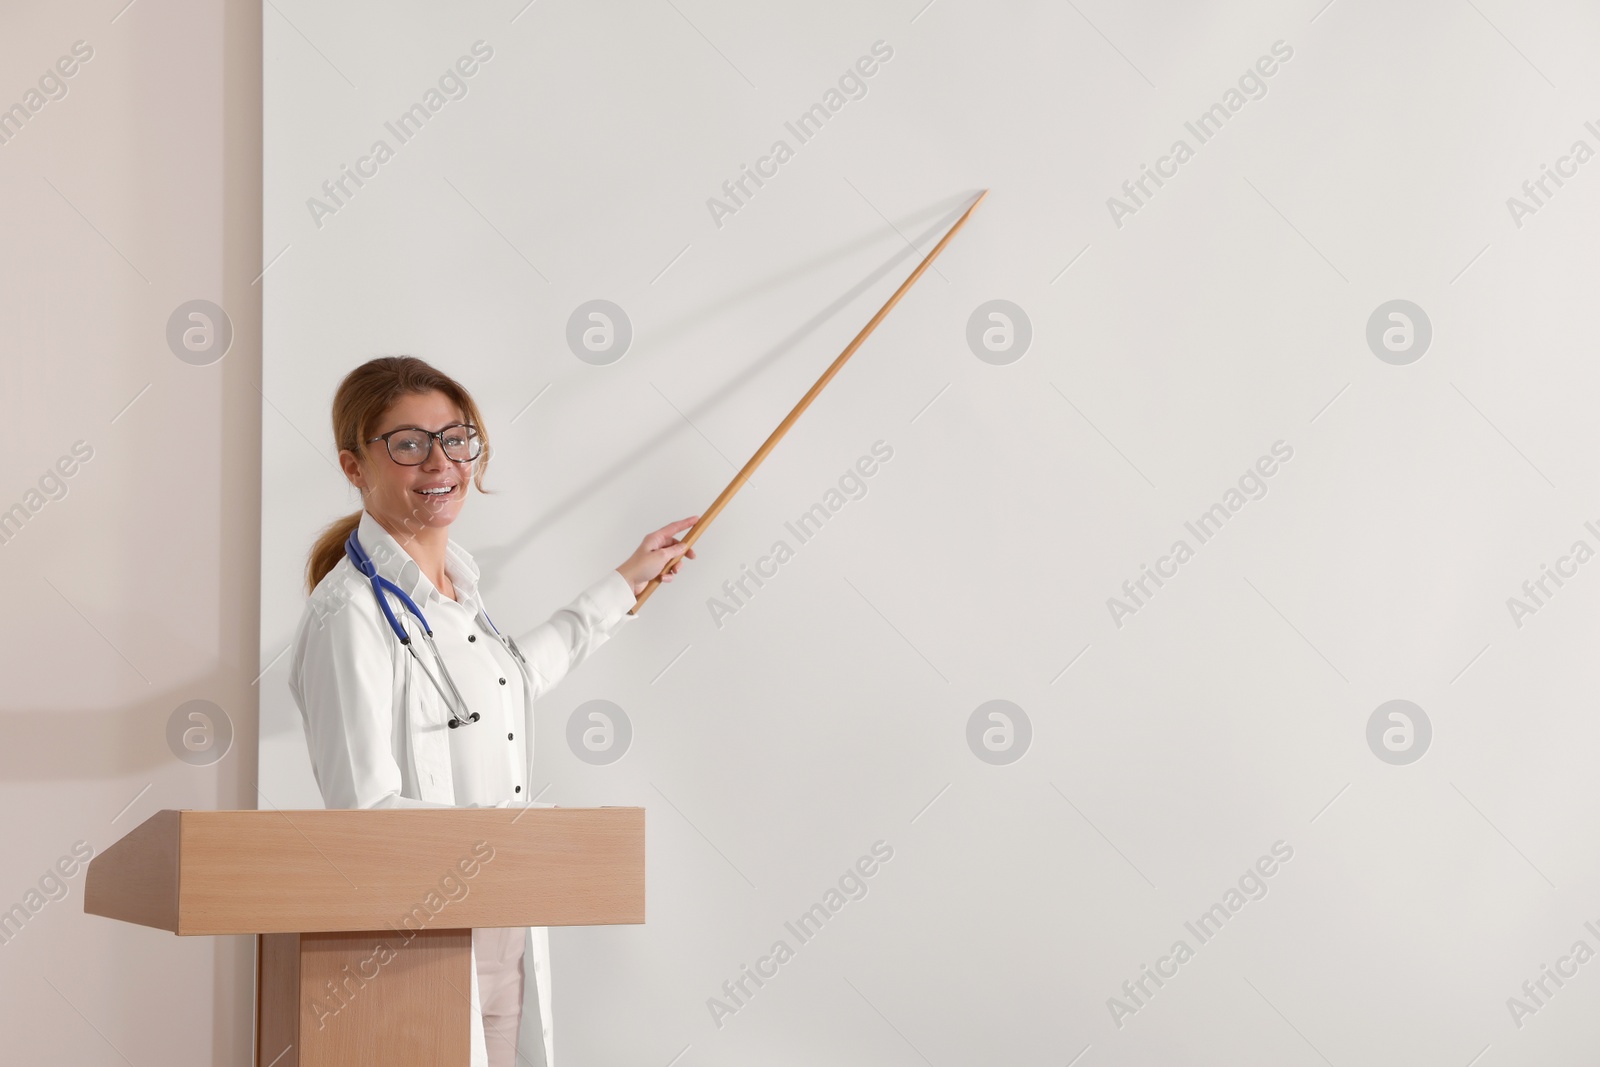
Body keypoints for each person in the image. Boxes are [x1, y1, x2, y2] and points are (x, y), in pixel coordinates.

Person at [286, 356, 696, 1067]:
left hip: (500, 924)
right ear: (355, 467)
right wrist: (511, 839)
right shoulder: (348, 614)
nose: (441, 462)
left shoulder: (458, 591)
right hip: (415, 938)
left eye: (457, 438)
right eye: (409, 443)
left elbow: (511, 680)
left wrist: (627, 582)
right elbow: (363, 814)